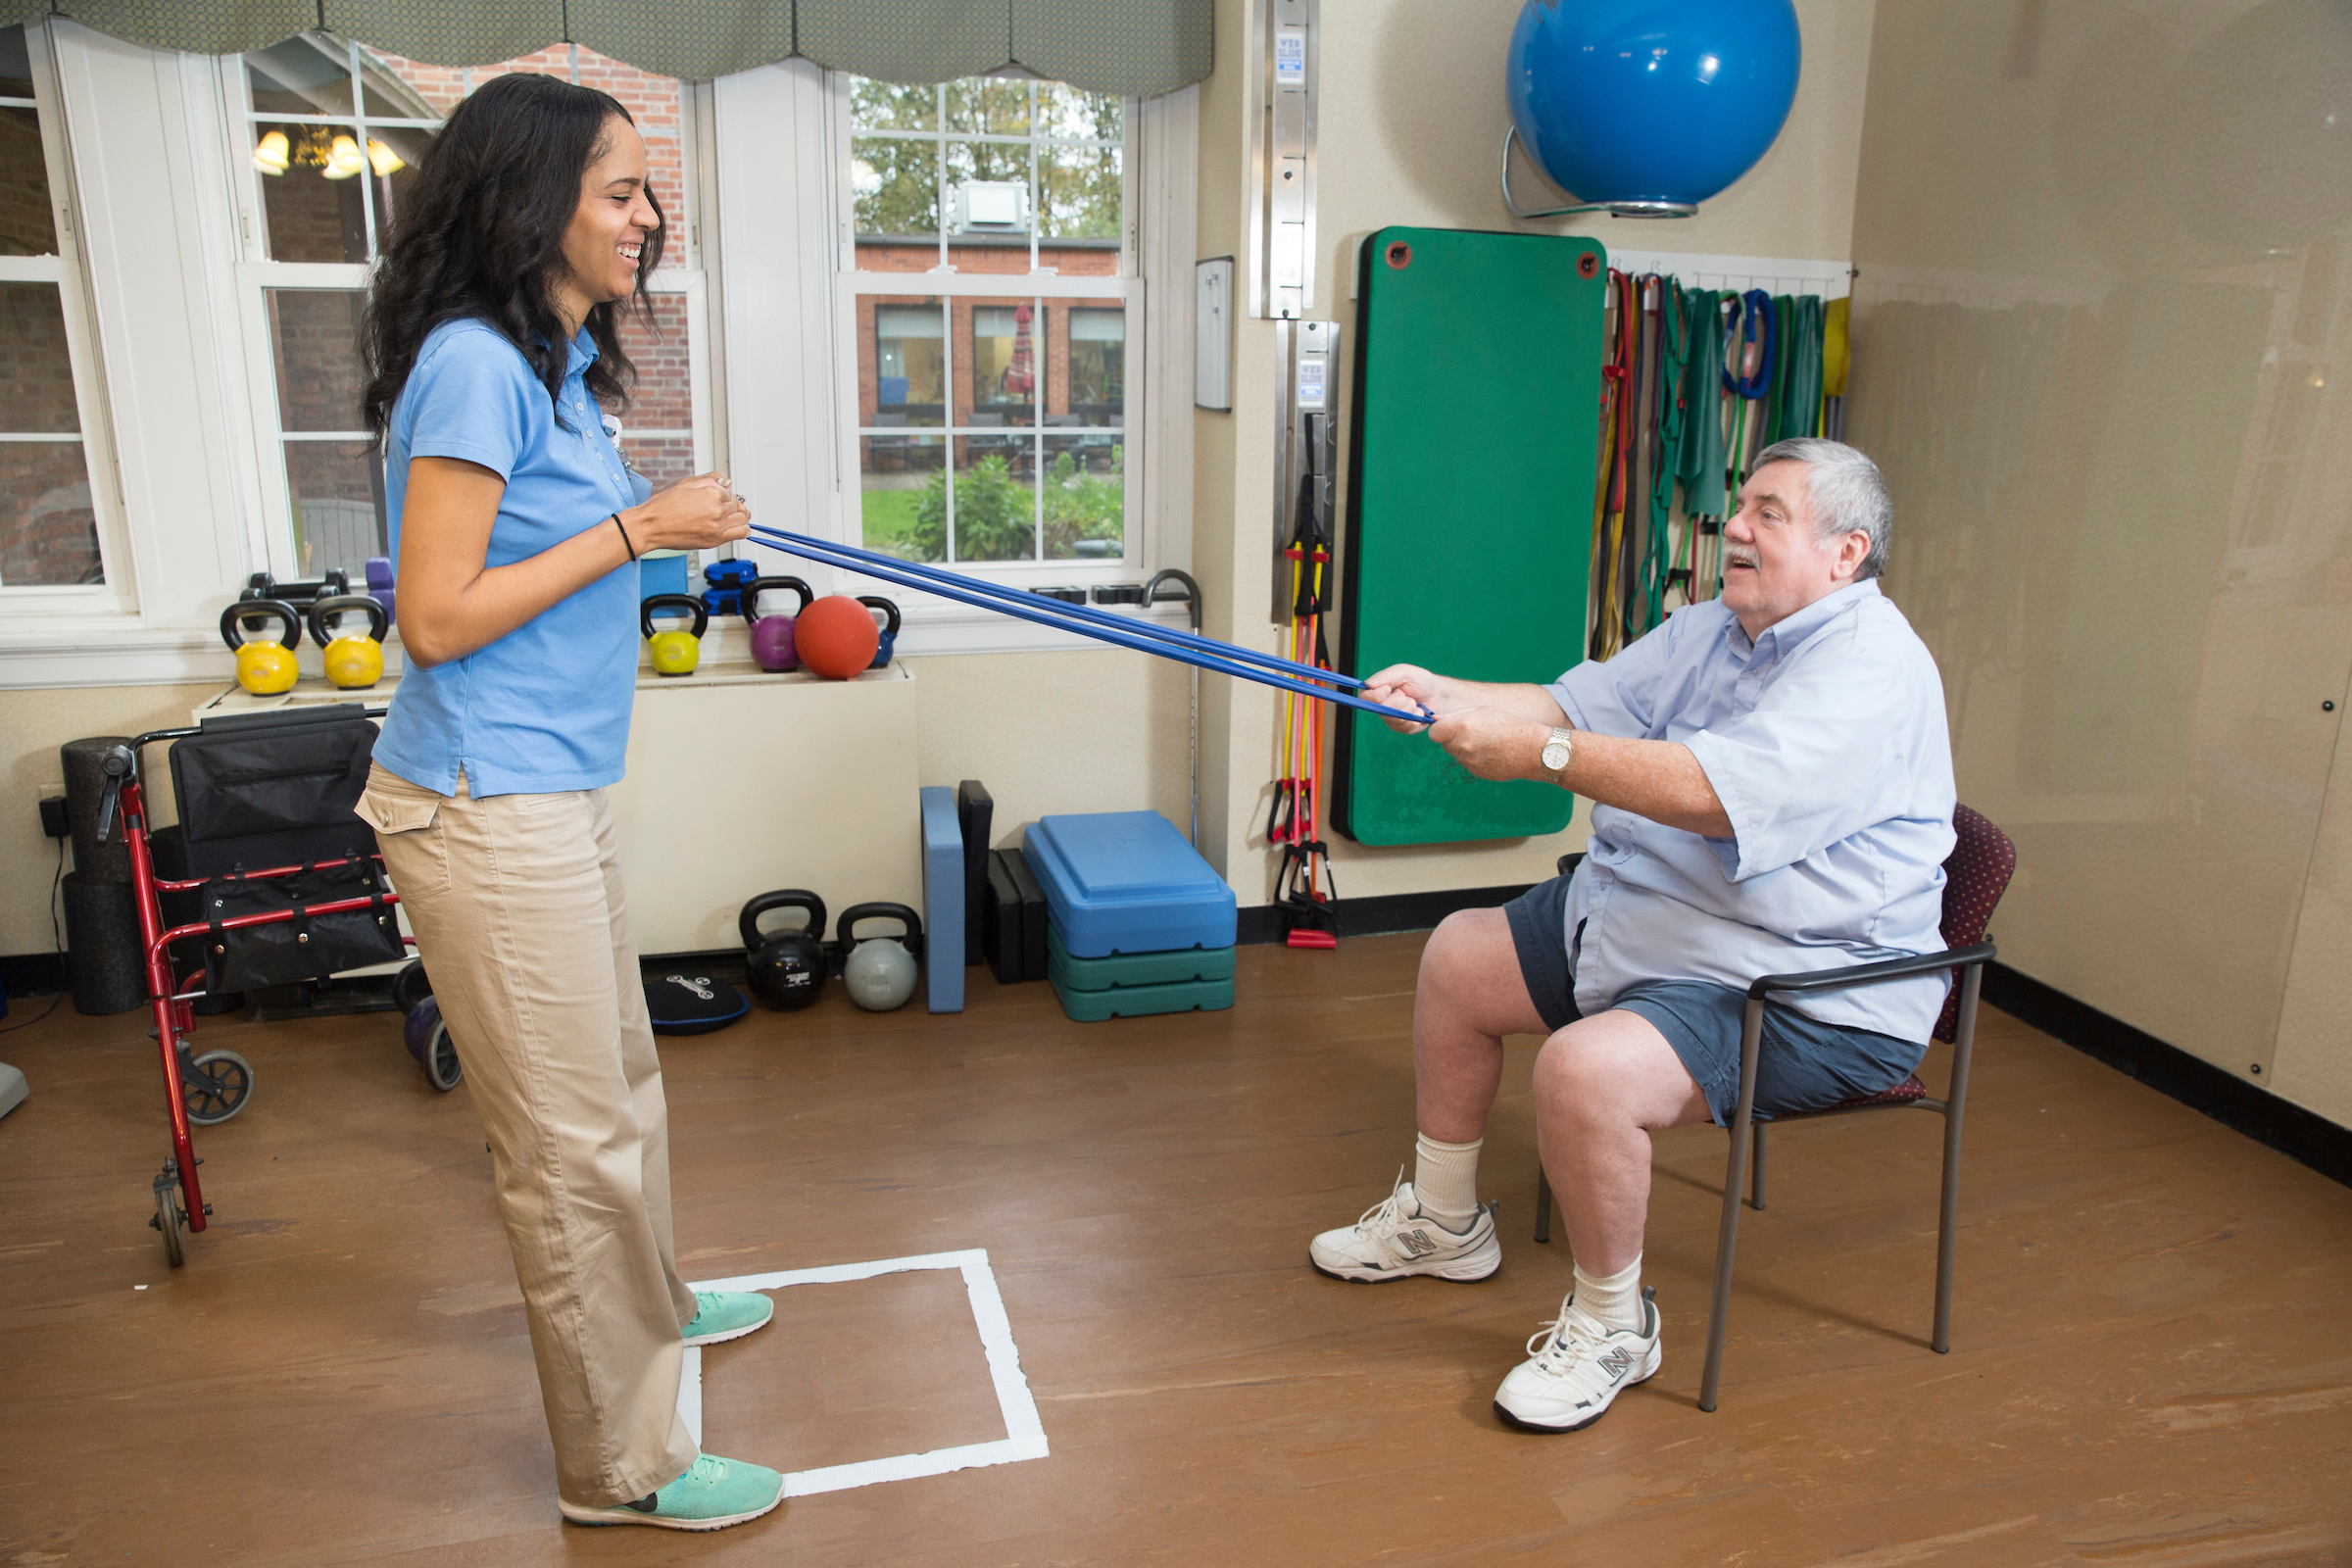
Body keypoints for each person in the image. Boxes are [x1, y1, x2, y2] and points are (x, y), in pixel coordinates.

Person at [1308, 438, 1955, 1434]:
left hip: (1804, 982)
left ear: (1845, 552)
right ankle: (1445, 1223)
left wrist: (1540, 756)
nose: (1735, 526)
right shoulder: (1713, 627)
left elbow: (1709, 797)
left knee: (1585, 1073)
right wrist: (1446, 695)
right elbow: (1571, 706)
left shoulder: (1874, 673)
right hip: (1659, 919)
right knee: (1459, 958)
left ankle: (1617, 1324)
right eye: (1742, 506)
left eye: (1769, 513)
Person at [352, 74, 778, 1531]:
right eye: (619, 191)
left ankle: (653, 1302)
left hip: (549, 787)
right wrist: (641, 524)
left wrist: (660, 527)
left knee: (619, 1090)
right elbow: (436, 616)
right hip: (483, 801)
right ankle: (623, 1469)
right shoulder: (475, 362)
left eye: (647, 191)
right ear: (530, 204)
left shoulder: (554, 366)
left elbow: (560, 555)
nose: (646, 219)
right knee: (565, 1146)